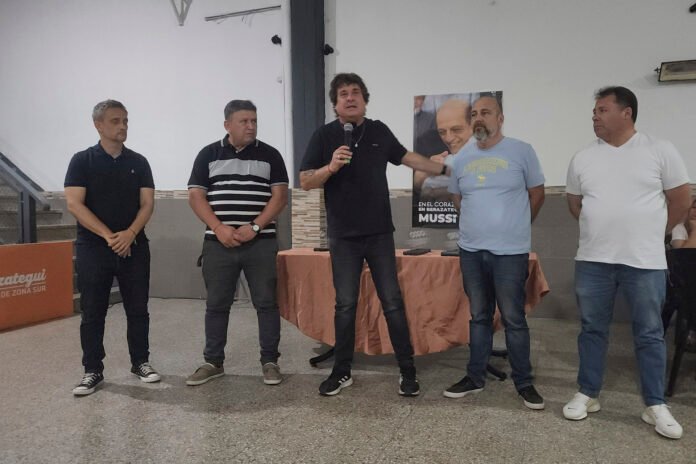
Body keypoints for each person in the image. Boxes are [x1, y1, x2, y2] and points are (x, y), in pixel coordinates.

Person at [299, 72, 448, 397]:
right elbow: (306, 180)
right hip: (343, 236)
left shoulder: (379, 130)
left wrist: (445, 168)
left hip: (379, 233)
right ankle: (342, 372)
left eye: (356, 92)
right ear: (335, 104)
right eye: (343, 94)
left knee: (392, 301)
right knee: (345, 305)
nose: (350, 98)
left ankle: (407, 372)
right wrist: (331, 167)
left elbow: (407, 158)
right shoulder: (324, 136)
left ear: (365, 100)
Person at [564, 86, 691, 439]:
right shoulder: (583, 157)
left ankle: (655, 404)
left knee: (649, 332)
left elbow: (681, 200)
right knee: (592, 328)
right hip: (593, 260)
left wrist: (654, 233)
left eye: (602, 110)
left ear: (626, 113)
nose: (594, 116)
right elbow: (574, 203)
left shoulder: (659, 149)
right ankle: (588, 393)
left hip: (644, 261)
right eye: (594, 111)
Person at [444, 95, 546, 410]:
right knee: (479, 316)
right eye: (474, 113)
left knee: (514, 318)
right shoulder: (461, 157)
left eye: (486, 112)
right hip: (471, 251)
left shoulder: (522, 151)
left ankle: (524, 382)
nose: (479, 118)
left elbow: (537, 195)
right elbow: (457, 198)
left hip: (510, 253)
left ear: (500, 118)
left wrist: (514, 227)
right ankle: (475, 377)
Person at [186, 100, 288, 387]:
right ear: (227, 125)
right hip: (218, 243)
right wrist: (219, 228)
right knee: (217, 304)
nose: (251, 126)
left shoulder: (271, 155)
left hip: (261, 242)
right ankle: (213, 362)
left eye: (254, 121)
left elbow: (280, 197)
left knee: (266, 303)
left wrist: (255, 227)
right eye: (244, 121)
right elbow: (196, 197)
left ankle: (270, 361)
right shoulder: (208, 155)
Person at [65, 99, 158, 396]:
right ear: (98, 125)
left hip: (134, 246)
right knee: (93, 311)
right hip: (94, 248)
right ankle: (92, 369)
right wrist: (110, 236)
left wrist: (129, 234)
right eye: (116, 121)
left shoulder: (139, 162)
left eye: (125, 120)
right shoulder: (82, 161)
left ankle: (140, 362)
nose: (123, 126)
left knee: (138, 309)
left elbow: (147, 204)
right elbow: (74, 204)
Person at [414, 98, 473, 202]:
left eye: (456, 130)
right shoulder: (427, 141)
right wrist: (427, 170)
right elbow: (415, 183)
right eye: (442, 132)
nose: (448, 138)